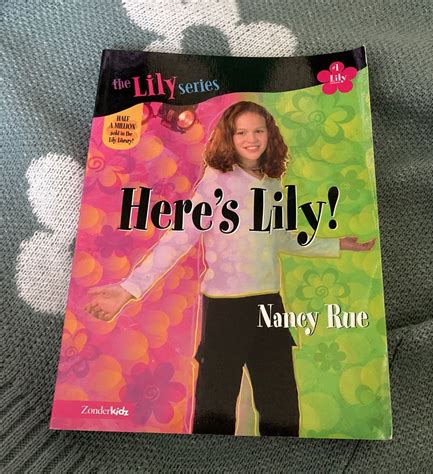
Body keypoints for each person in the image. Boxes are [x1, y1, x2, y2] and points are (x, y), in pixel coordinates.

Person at [85, 101, 375, 436]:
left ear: (269, 134)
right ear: (229, 137)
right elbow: (179, 238)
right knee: (216, 406)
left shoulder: (272, 184)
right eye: (241, 133)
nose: (251, 139)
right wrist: (129, 288)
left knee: (281, 405)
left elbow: (280, 238)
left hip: (269, 306)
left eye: (258, 131)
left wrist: (336, 244)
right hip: (225, 309)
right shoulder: (216, 183)